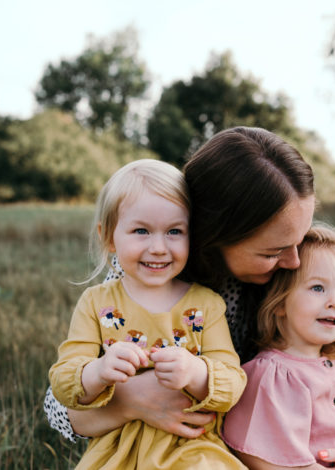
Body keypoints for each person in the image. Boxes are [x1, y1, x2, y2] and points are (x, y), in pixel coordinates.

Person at [45, 127, 335, 453]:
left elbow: (313, 350)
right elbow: (60, 408)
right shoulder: (150, 274)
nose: (293, 261)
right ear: (213, 236)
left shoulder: (288, 271)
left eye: (298, 241)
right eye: (272, 251)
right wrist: (131, 401)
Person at [49, 158, 247, 469]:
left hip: (192, 448)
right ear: (108, 237)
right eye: (141, 230)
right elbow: (63, 380)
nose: (158, 247)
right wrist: (99, 371)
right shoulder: (95, 302)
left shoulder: (206, 304)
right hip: (117, 448)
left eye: (174, 231)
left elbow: (233, 383)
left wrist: (195, 372)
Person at [222, 223, 335, 469]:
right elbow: (261, 458)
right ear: (280, 303)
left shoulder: (333, 361)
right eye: (318, 288)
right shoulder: (272, 375)